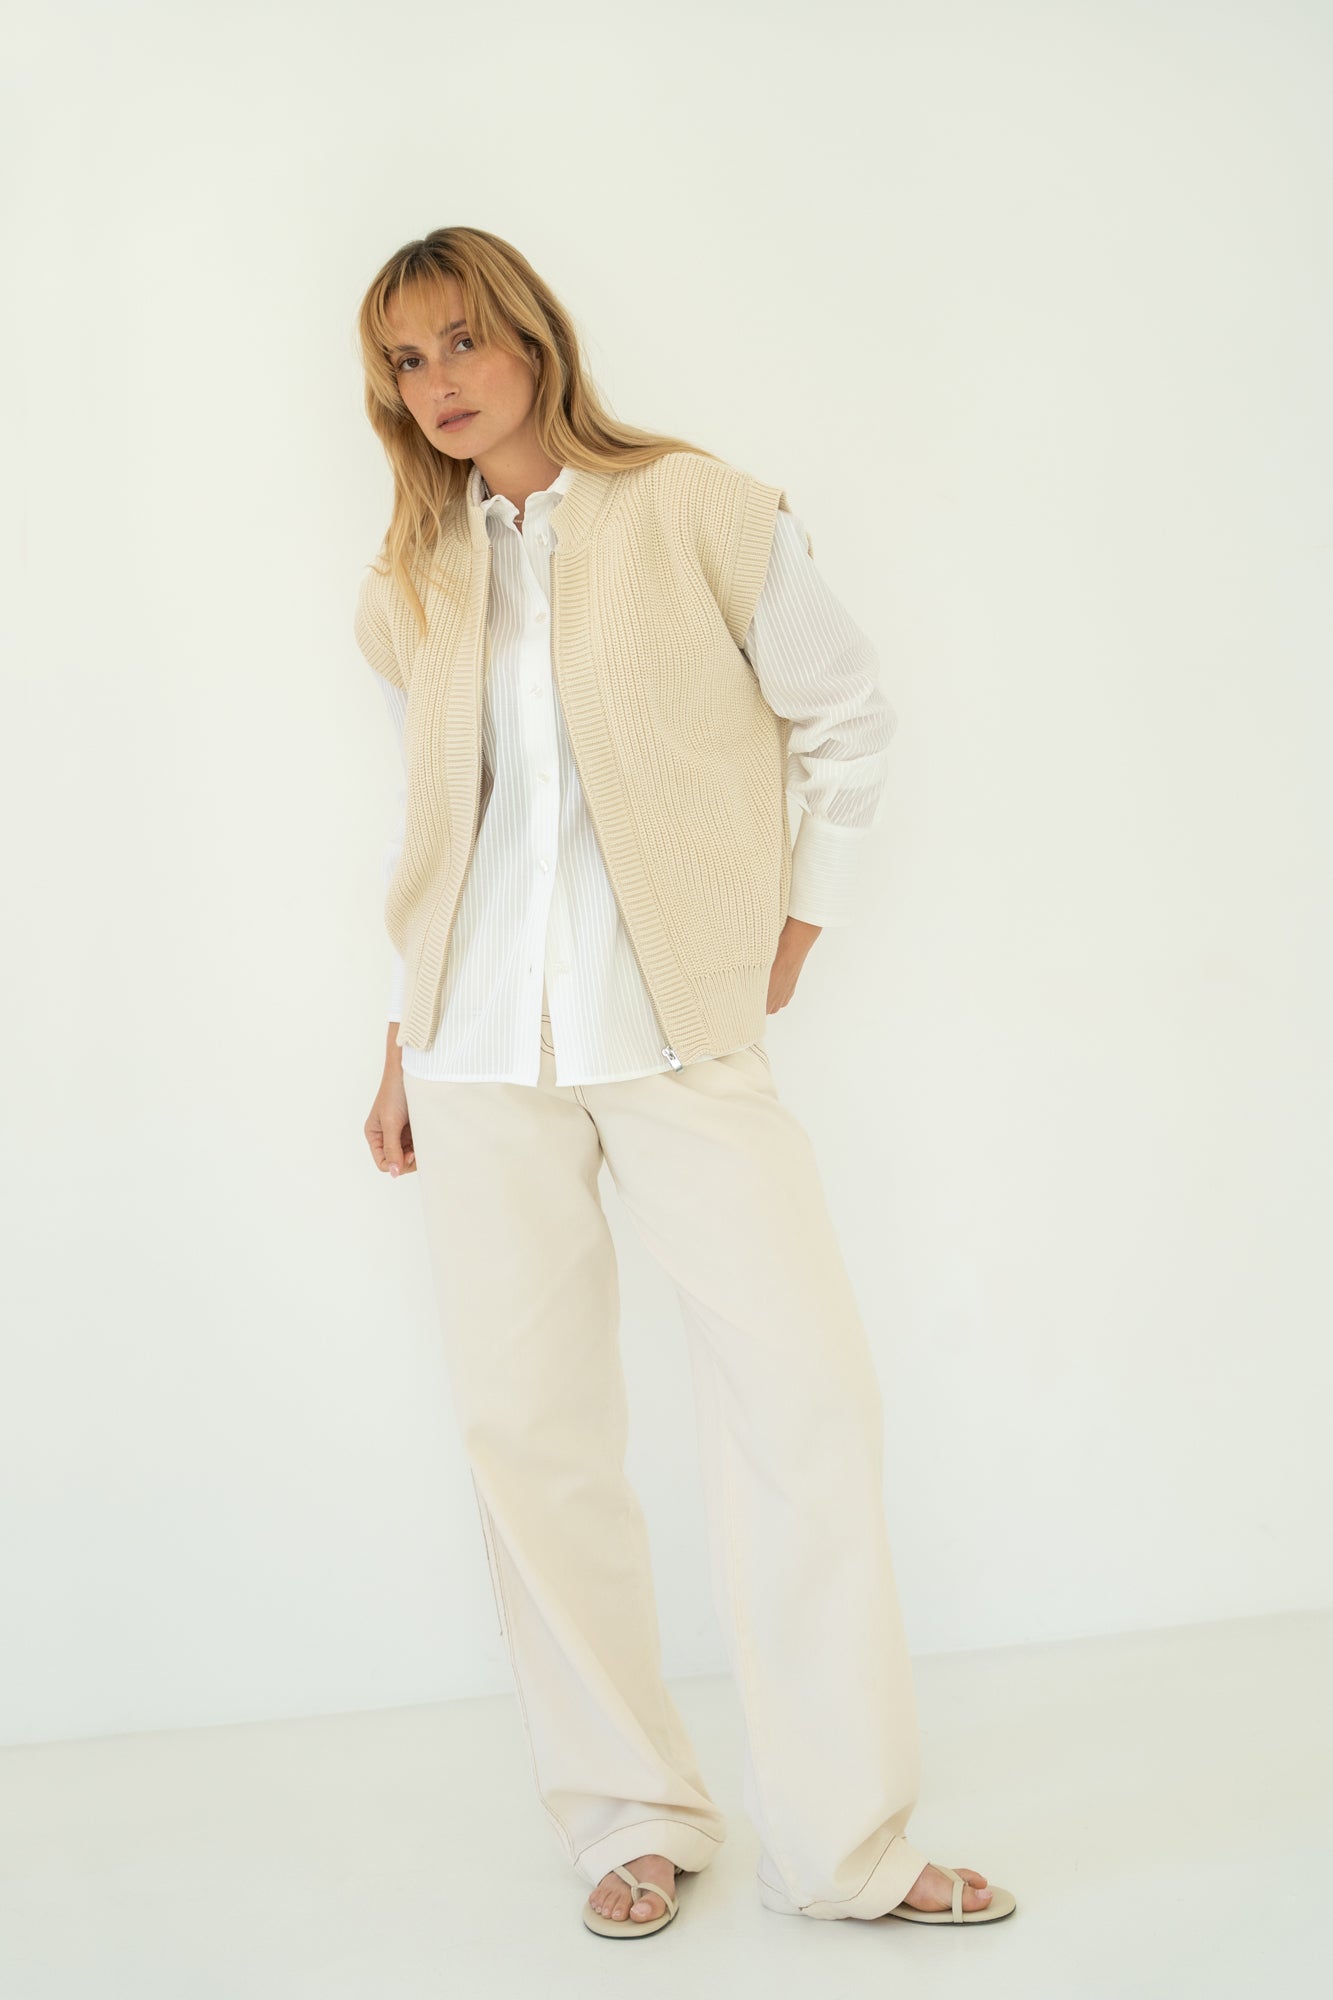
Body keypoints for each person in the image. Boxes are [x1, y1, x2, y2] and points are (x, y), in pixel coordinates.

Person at [352, 226, 1016, 1939]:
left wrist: (797, 919)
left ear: (534, 338)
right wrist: (401, 1035)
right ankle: (626, 1813)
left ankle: (848, 1846)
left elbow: (846, 718)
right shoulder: (414, 574)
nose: (438, 382)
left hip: (677, 1034)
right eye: (406, 361)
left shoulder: (700, 509)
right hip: (476, 1049)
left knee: (805, 1408)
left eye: (462, 339)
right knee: (529, 1434)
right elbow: (444, 830)